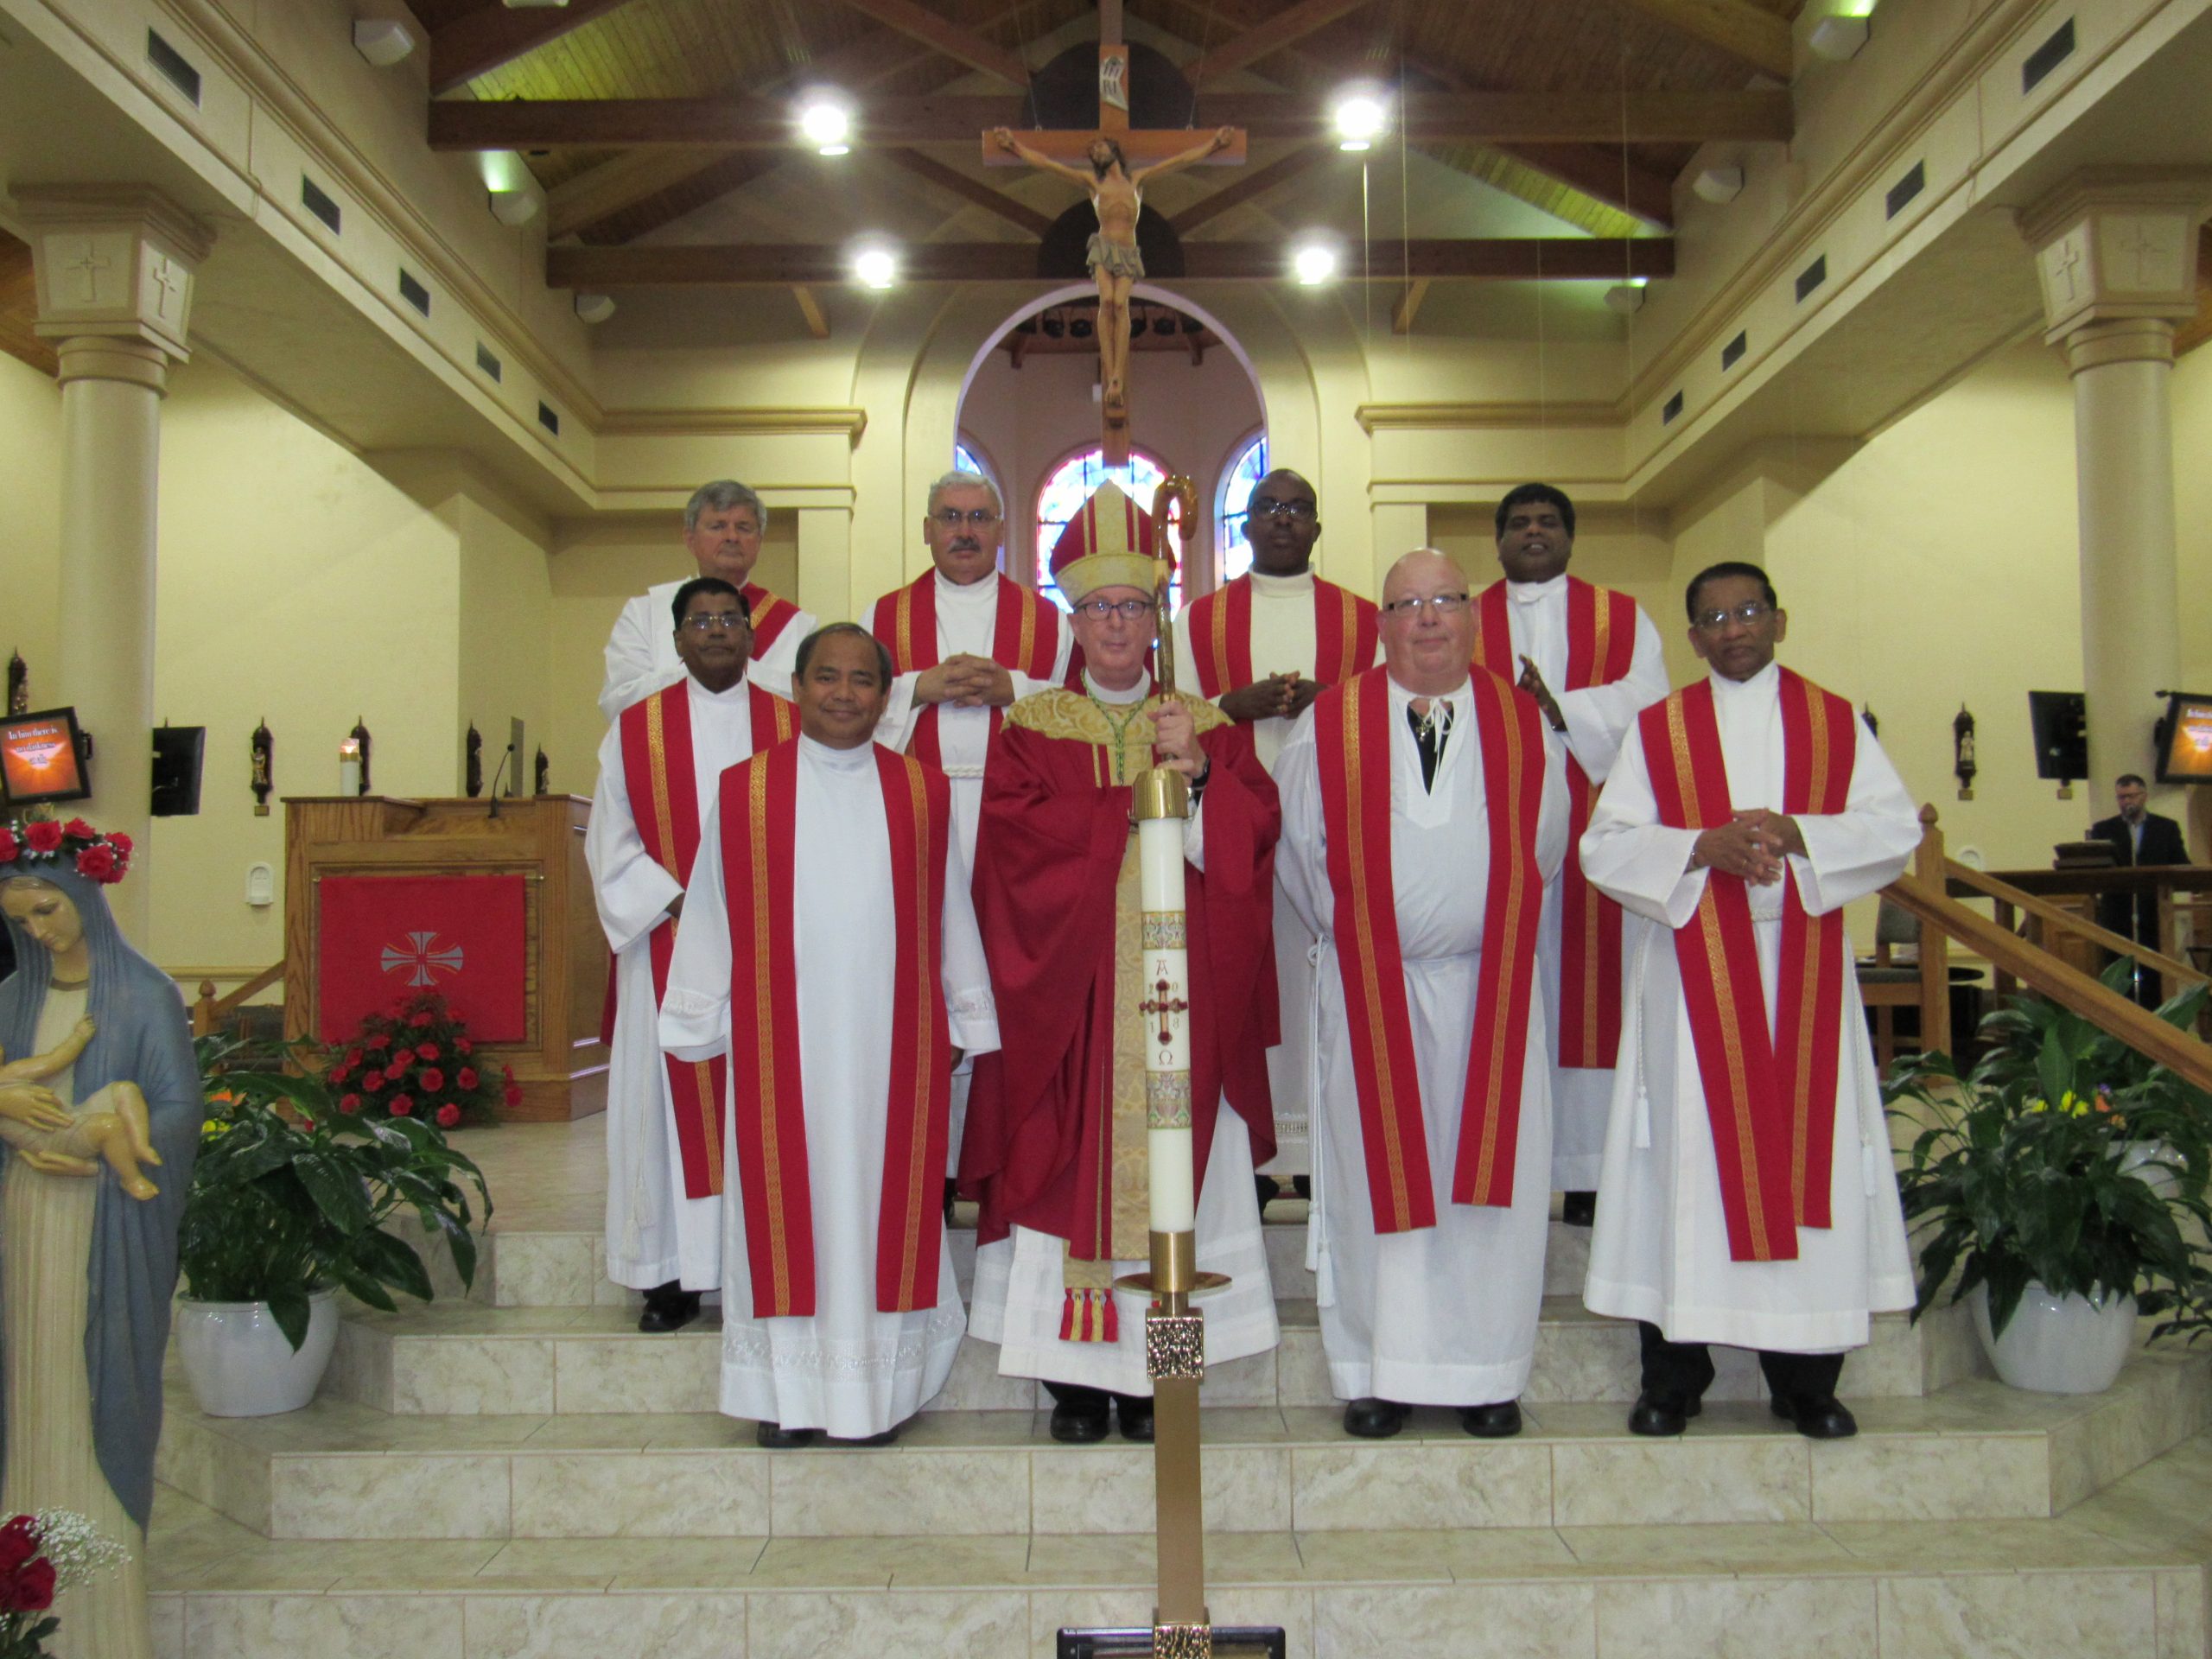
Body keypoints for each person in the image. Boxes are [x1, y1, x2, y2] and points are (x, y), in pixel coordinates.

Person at [963, 484, 1281, 1445]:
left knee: (1180, 1180)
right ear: (1072, 617)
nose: (1114, 624)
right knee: (1065, 1166)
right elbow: (1011, 846)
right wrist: (1133, 809)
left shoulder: (1203, 724)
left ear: (1156, 619)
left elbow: (1257, 837)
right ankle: (1074, 1382)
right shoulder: (1032, 724)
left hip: (1180, 993)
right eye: (1098, 606)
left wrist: (1202, 777)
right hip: (1074, 999)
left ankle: (1162, 1379)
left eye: (1133, 606)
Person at [1580, 561, 1920, 1441]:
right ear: (1693, 638)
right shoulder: (1660, 729)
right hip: (1692, 982)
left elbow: (1893, 830)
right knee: (1684, 1165)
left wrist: (1802, 833)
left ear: (1779, 619)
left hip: (1803, 974)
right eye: (1713, 618)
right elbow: (1604, 846)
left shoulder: (1834, 722)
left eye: (1747, 611)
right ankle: (1673, 1378)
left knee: (1810, 1161)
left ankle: (1806, 1382)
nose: (1732, 629)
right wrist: (1701, 848)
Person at [658, 625, 997, 1446]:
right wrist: (699, 1011)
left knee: (883, 1209)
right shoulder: (745, 791)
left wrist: (964, 1010)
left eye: (862, 680)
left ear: (885, 696)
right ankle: (786, 1396)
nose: (844, 693)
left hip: (892, 1048)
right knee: (785, 1213)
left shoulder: (921, 792)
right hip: (784, 1046)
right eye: (826, 677)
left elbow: (951, 907)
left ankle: (878, 1397)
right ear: (797, 688)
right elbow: (710, 908)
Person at [1276, 549, 1567, 1440]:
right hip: (1374, 991)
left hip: (1490, 990)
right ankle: (1379, 1371)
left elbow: (1545, 846)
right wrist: (1375, 937)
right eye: (1407, 605)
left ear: (1474, 616)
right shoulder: (1327, 724)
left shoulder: (1525, 725)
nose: (1428, 619)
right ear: (1382, 626)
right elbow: (1302, 856)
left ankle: (1486, 1372)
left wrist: (1467, 919)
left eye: (1445, 600)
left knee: (1491, 1189)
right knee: (1375, 1183)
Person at [0, 826, 200, 1659]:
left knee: (94, 1391)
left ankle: (100, 1623)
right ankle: (20, 1601)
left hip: (105, 1227)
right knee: (31, 1385)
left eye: (47, 911)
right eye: (20, 919)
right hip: (26, 1219)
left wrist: (117, 1117)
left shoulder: (145, 995)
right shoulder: (11, 996)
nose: (36, 931)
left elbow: (179, 1113)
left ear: (84, 895)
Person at [586, 577, 795, 1333]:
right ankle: (668, 1274)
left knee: (769, 1109)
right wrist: (688, 905)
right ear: (676, 640)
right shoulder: (634, 730)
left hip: (775, 949)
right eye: (700, 621)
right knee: (661, 1114)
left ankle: (760, 1265)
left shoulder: (793, 721)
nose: (715, 631)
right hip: (668, 947)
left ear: (751, 635)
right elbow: (611, 846)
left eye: (729, 619)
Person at [1173, 467, 1380, 1196]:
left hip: (1333, 834)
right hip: (1232, 836)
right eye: (1268, 507)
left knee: (1324, 990)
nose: (1283, 518)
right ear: (1246, 524)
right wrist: (1232, 704)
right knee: (1249, 987)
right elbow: (1166, 715)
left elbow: (1390, 712)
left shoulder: (1364, 620)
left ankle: (1322, 1154)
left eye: (1297, 508)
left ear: (1317, 525)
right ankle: (1258, 1160)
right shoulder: (1198, 620)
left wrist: (1335, 701)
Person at [865, 471, 1072, 1194]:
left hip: (1013, 830)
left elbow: (1085, 708)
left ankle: (995, 1161)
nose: (964, 531)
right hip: (915, 820)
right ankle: (932, 1166)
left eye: (979, 518)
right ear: (927, 529)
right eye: (950, 518)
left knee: (1005, 983)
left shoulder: (1048, 623)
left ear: (1002, 530)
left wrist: (1015, 688)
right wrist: (916, 688)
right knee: (922, 983)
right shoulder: (882, 617)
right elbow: (841, 706)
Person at [1471, 484, 1669, 1226]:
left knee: (1590, 997)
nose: (1534, 532)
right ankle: (1510, 1163)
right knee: (1509, 994)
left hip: (1595, 828)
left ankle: (1589, 1172)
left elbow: (1652, 703)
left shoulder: (1621, 616)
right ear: (1497, 540)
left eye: (1548, 521)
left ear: (1570, 535)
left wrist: (1562, 708)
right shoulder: (1464, 617)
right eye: (1519, 523)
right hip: (1492, 829)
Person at [989, 126, 1233, 420]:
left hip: (1128, 252)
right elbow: (1050, 165)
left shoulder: (1137, 179)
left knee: (1120, 304)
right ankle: (1111, 373)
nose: (1096, 152)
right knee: (1106, 302)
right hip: (1104, 249)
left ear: (1114, 151)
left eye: (1100, 147)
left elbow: (1179, 161)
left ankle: (1118, 372)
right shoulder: (1093, 183)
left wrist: (1213, 144)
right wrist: (1015, 147)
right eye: (1093, 152)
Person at [598, 479, 817, 718]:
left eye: (744, 527)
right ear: (690, 538)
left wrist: (739, 671)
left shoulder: (797, 626)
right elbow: (619, 702)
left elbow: (811, 707)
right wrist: (698, 670)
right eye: (718, 526)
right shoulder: (646, 612)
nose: (732, 536)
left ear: (759, 541)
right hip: (675, 739)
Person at [2088, 773, 2191, 1007]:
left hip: (2154, 910)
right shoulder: (2104, 829)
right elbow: (2095, 868)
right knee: (2118, 971)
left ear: (2144, 796)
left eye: (2131, 796)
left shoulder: (2165, 828)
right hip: (2117, 911)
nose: (2126, 802)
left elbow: (2182, 864)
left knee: (2153, 972)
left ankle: (2153, 1019)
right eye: (2121, 797)